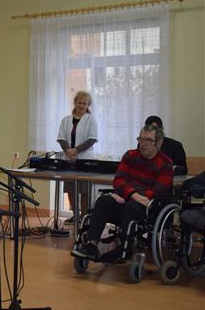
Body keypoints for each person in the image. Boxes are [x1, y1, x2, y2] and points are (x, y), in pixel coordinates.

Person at [73, 124, 173, 260]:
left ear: (159, 143)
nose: (143, 144)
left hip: (146, 207)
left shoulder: (166, 163)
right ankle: (91, 246)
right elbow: (119, 180)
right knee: (103, 200)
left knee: (131, 207)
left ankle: (123, 250)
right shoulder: (130, 155)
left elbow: (158, 191)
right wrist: (131, 196)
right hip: (127, 199)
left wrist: (128, 197)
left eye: (148, 140)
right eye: (141, 139)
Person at [56, 90, 98, 221]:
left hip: (85, 159)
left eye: (84, 103)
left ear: (88, 106)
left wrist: (75, 151)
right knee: (70, 188)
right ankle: (75, 216)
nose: (81, 105)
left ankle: (84, 217)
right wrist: (68, 151)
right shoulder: (66, 120)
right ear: (75, 103)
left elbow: (92, 139)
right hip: (68, 158)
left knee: (84, 190)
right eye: (79, 102)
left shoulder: (91, 120)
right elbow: (61, 138)